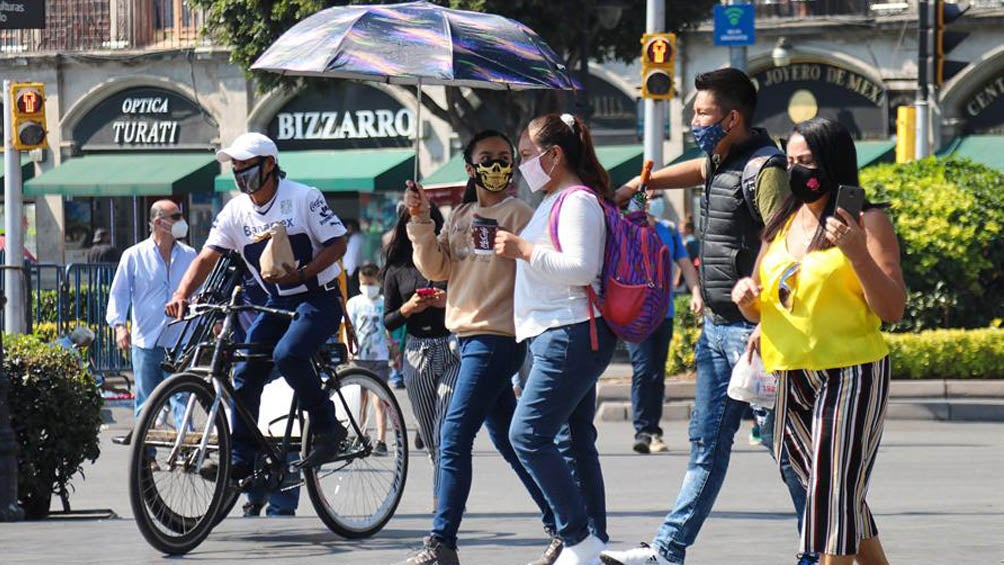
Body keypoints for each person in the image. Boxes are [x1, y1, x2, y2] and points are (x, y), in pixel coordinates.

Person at [600, 68, 807, 565]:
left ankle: (822, 548)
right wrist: (637, 182)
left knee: (788, 452)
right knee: (706, 448)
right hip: (717, 330)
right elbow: (696, 169)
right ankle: (667, 552)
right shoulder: (721, 160)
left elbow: (789, 250)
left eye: (702, 113)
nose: (694, 120)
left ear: (732, 118)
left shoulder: (766, 169)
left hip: (754, 335)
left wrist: (766, 322)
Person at [731, 117, 904, 565]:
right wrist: (746, 300)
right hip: (790, 373)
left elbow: (891, 309)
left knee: (829, 493)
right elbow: (761, 301)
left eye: (805, 161)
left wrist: (856, 252)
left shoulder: (867, 219)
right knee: (834, 491)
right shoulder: (782, 223)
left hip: (851, 371)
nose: (796, 171)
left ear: (832, 162)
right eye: (789, 161)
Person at [395, 130, 559, 565]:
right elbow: (437, 268)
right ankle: (563, 524)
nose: (497, 166)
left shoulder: (520, 213)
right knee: (509, 441)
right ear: (470, 168)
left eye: (504, 158)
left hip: (496, 339)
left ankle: (441, 542)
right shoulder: (462, 214)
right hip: (464, 339)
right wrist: (421, 219)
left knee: (453, 436)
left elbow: (538, 265)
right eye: (487, 159)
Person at [165, 132, 350, 481]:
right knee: (245, 371)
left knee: (288, 355)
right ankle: (241, 456)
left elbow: (338, 243)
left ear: (269, 165)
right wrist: (181, 294)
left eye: (246, 169)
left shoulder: (303, 197)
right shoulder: (236, 210)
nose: (240, 178)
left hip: (318, 298)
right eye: (235, 171)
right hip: (275, 301)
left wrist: (304, 273)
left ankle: (329, 429)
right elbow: (207, 257)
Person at [494, 112, 617, 565]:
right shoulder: (553, 199)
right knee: (573, 439)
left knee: (527, 435)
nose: (521, 164)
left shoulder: (577, 200)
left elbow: (582, 268)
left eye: (527, 155)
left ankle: (577, 537)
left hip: (569, 331)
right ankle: (593, 541)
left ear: (555, 155)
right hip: (556, 332)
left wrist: (523, 249)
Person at [382, 203, 459, 504]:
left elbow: (468, 299)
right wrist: (408, 308)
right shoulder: (396, 268)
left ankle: (445, 500)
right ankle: (445, 489)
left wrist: (446, 300)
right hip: (416, 352)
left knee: (446, 430)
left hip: (452, 348)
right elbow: (389, 320)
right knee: (429, 434)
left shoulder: (448, 261)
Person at [106, 200, 196, 421]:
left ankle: (186, 450)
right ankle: (146, 455)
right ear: (158, 222)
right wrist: (119, 327)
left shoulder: (189, 254)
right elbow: (119, 293)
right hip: (146, 341)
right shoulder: (134, 255)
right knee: (146, 404)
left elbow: (199, 291)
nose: (181, 221)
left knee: (182, 399)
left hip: (178, 340)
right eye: (175, 217)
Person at [628, 210, 701, 455]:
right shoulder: (626, 226)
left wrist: (696, 293)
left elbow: (685, 265)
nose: (648, 198)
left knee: (656, 372)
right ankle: (643, 430)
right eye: (643, 192)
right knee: (643, 368)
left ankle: (653, 430)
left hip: (664, 312)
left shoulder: (668, 230)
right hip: (636, 311)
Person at [345, 262, 392, 456]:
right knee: (360, 401)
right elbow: (348, 327)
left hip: (379, 356)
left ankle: (381, 440)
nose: (368, 287)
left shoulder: (383, 302)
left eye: (371, 283)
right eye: (365, 283)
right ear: (360, 282)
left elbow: (388, 327)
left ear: (378, 282)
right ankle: (360, 434)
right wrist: (348, 350)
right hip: (359, 356)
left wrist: (393, 350)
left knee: (379, 401)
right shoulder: (354, 303)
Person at [343, 218, 364, 298]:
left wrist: (350, 272)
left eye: (349, 228)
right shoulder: (354, 238)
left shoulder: (356, 239)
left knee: (354, 293)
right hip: (352, 270)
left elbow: (353, 257)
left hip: (352, 271)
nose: (347, 230)